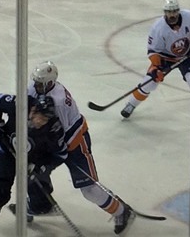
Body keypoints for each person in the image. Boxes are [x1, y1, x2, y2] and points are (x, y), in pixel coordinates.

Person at [29, 60, 136, 234]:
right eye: (36, 82)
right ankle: (39, 206)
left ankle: (122, 212)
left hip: (75, 142)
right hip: (54, 140)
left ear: (50, 82)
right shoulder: (35, 88)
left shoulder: (59, 101)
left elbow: (58, 133)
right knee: (33, 171)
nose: (36, 85)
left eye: (40, 83)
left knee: (89, 190)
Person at [0, 92, 66, 236]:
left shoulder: (53, 128)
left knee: (42, 201)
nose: (41, 122)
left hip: (32, 161)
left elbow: (60, 155)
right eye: (40, 118)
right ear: (33, 110)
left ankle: (26, 209)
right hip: (6, 153)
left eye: (45, 120)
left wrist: (40, 167)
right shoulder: (21, 104)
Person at [121, 0, 190, 127]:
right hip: (165, 58)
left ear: (178, 10)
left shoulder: (188, 16)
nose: (172, 14)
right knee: (150, 83)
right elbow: (153, 51)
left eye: (175, 11)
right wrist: (156, 68)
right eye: (169, 12)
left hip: (187, 55)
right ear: (165, 12)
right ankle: (131, 104)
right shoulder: (158, 28)